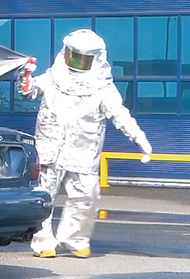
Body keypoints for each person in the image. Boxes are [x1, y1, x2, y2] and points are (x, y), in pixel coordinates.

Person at [17, 28, 153, 258]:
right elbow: (29, 92)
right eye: (73, 55)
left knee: (85, 196)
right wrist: (25, 75)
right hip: (50, 147)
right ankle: (43, 241)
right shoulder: (53, 77)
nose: (75, 62)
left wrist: (139, 138)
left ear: (95, 60)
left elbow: (120, 115)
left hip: (83, 152)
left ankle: (75, 238)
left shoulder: (103, 89)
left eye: (82, 58)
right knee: (43, 197)